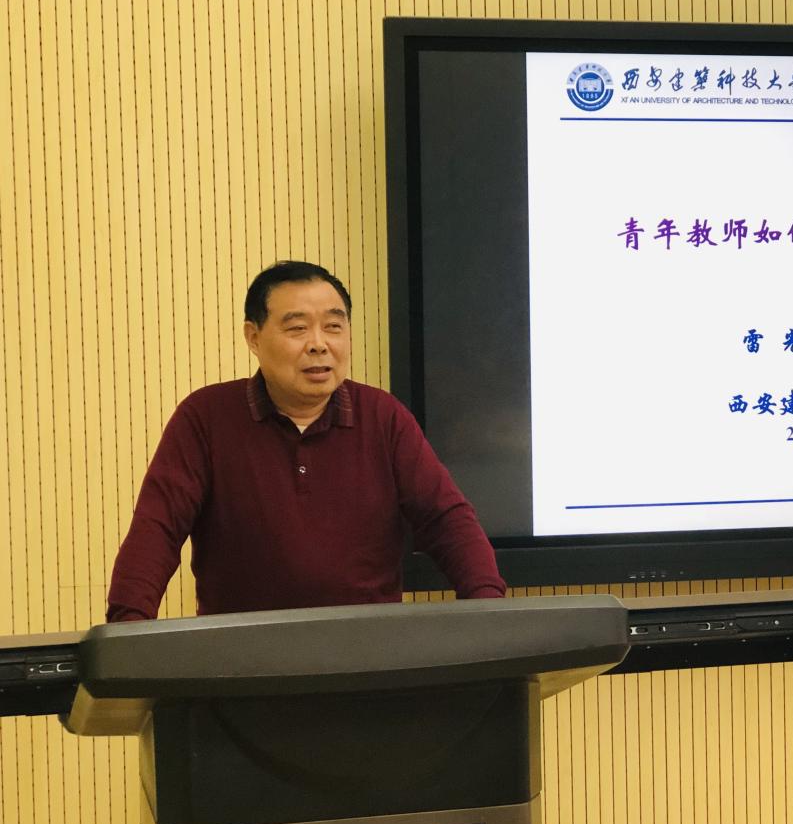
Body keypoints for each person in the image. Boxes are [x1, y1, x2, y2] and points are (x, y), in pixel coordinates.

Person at [106, 261, 505, 621]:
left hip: (368, 654)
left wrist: (489, 609)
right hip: (241, 659)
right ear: (253, 337)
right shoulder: (206, 417)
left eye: (334, 326)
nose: (319, 343)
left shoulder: (383, 416)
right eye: (297, 328)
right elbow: (157, 530)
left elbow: (446, 519)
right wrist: (128, 628)